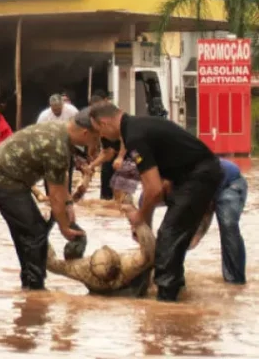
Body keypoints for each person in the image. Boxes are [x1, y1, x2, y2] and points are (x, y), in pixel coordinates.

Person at [89, 101, 223, 302]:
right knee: (171, 238)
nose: (101, 136)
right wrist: (144, 224)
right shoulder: (135, 127)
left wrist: (140, 216)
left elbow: (154, 190)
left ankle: (166, 302)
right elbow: (150, 188)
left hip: (199, 176)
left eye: (98, 130)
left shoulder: (134, 136)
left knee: (169, 236)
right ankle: (176, 291)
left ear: (105, 122)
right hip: (187, 176)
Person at [0, 112, 91, 290]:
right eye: (97, 136)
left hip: (4, 177)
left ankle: (28, 282)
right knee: (36, 231)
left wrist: (68, 205)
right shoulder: (58, 146)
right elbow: (54, 194)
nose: (97, 142)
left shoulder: (61, 133)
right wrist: (64, 227)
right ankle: (35, 287)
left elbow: (60, 178)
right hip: (2, 180)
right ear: (86, 133)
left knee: (24, 231)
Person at [157, 157, 247, 285]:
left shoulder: (189, 181)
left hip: (230, 182)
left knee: (228, 224)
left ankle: (236, 282)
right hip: (210, 181)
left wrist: (195, 238)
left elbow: (206, 212)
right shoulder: (154, 187)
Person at [46, 222, 155, 297]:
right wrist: (139, 228)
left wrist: (43, 232)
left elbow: (52, 264)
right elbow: (150, 251)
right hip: (128, 288)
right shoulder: (128, 266)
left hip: (106, 288)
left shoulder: (80, 270)